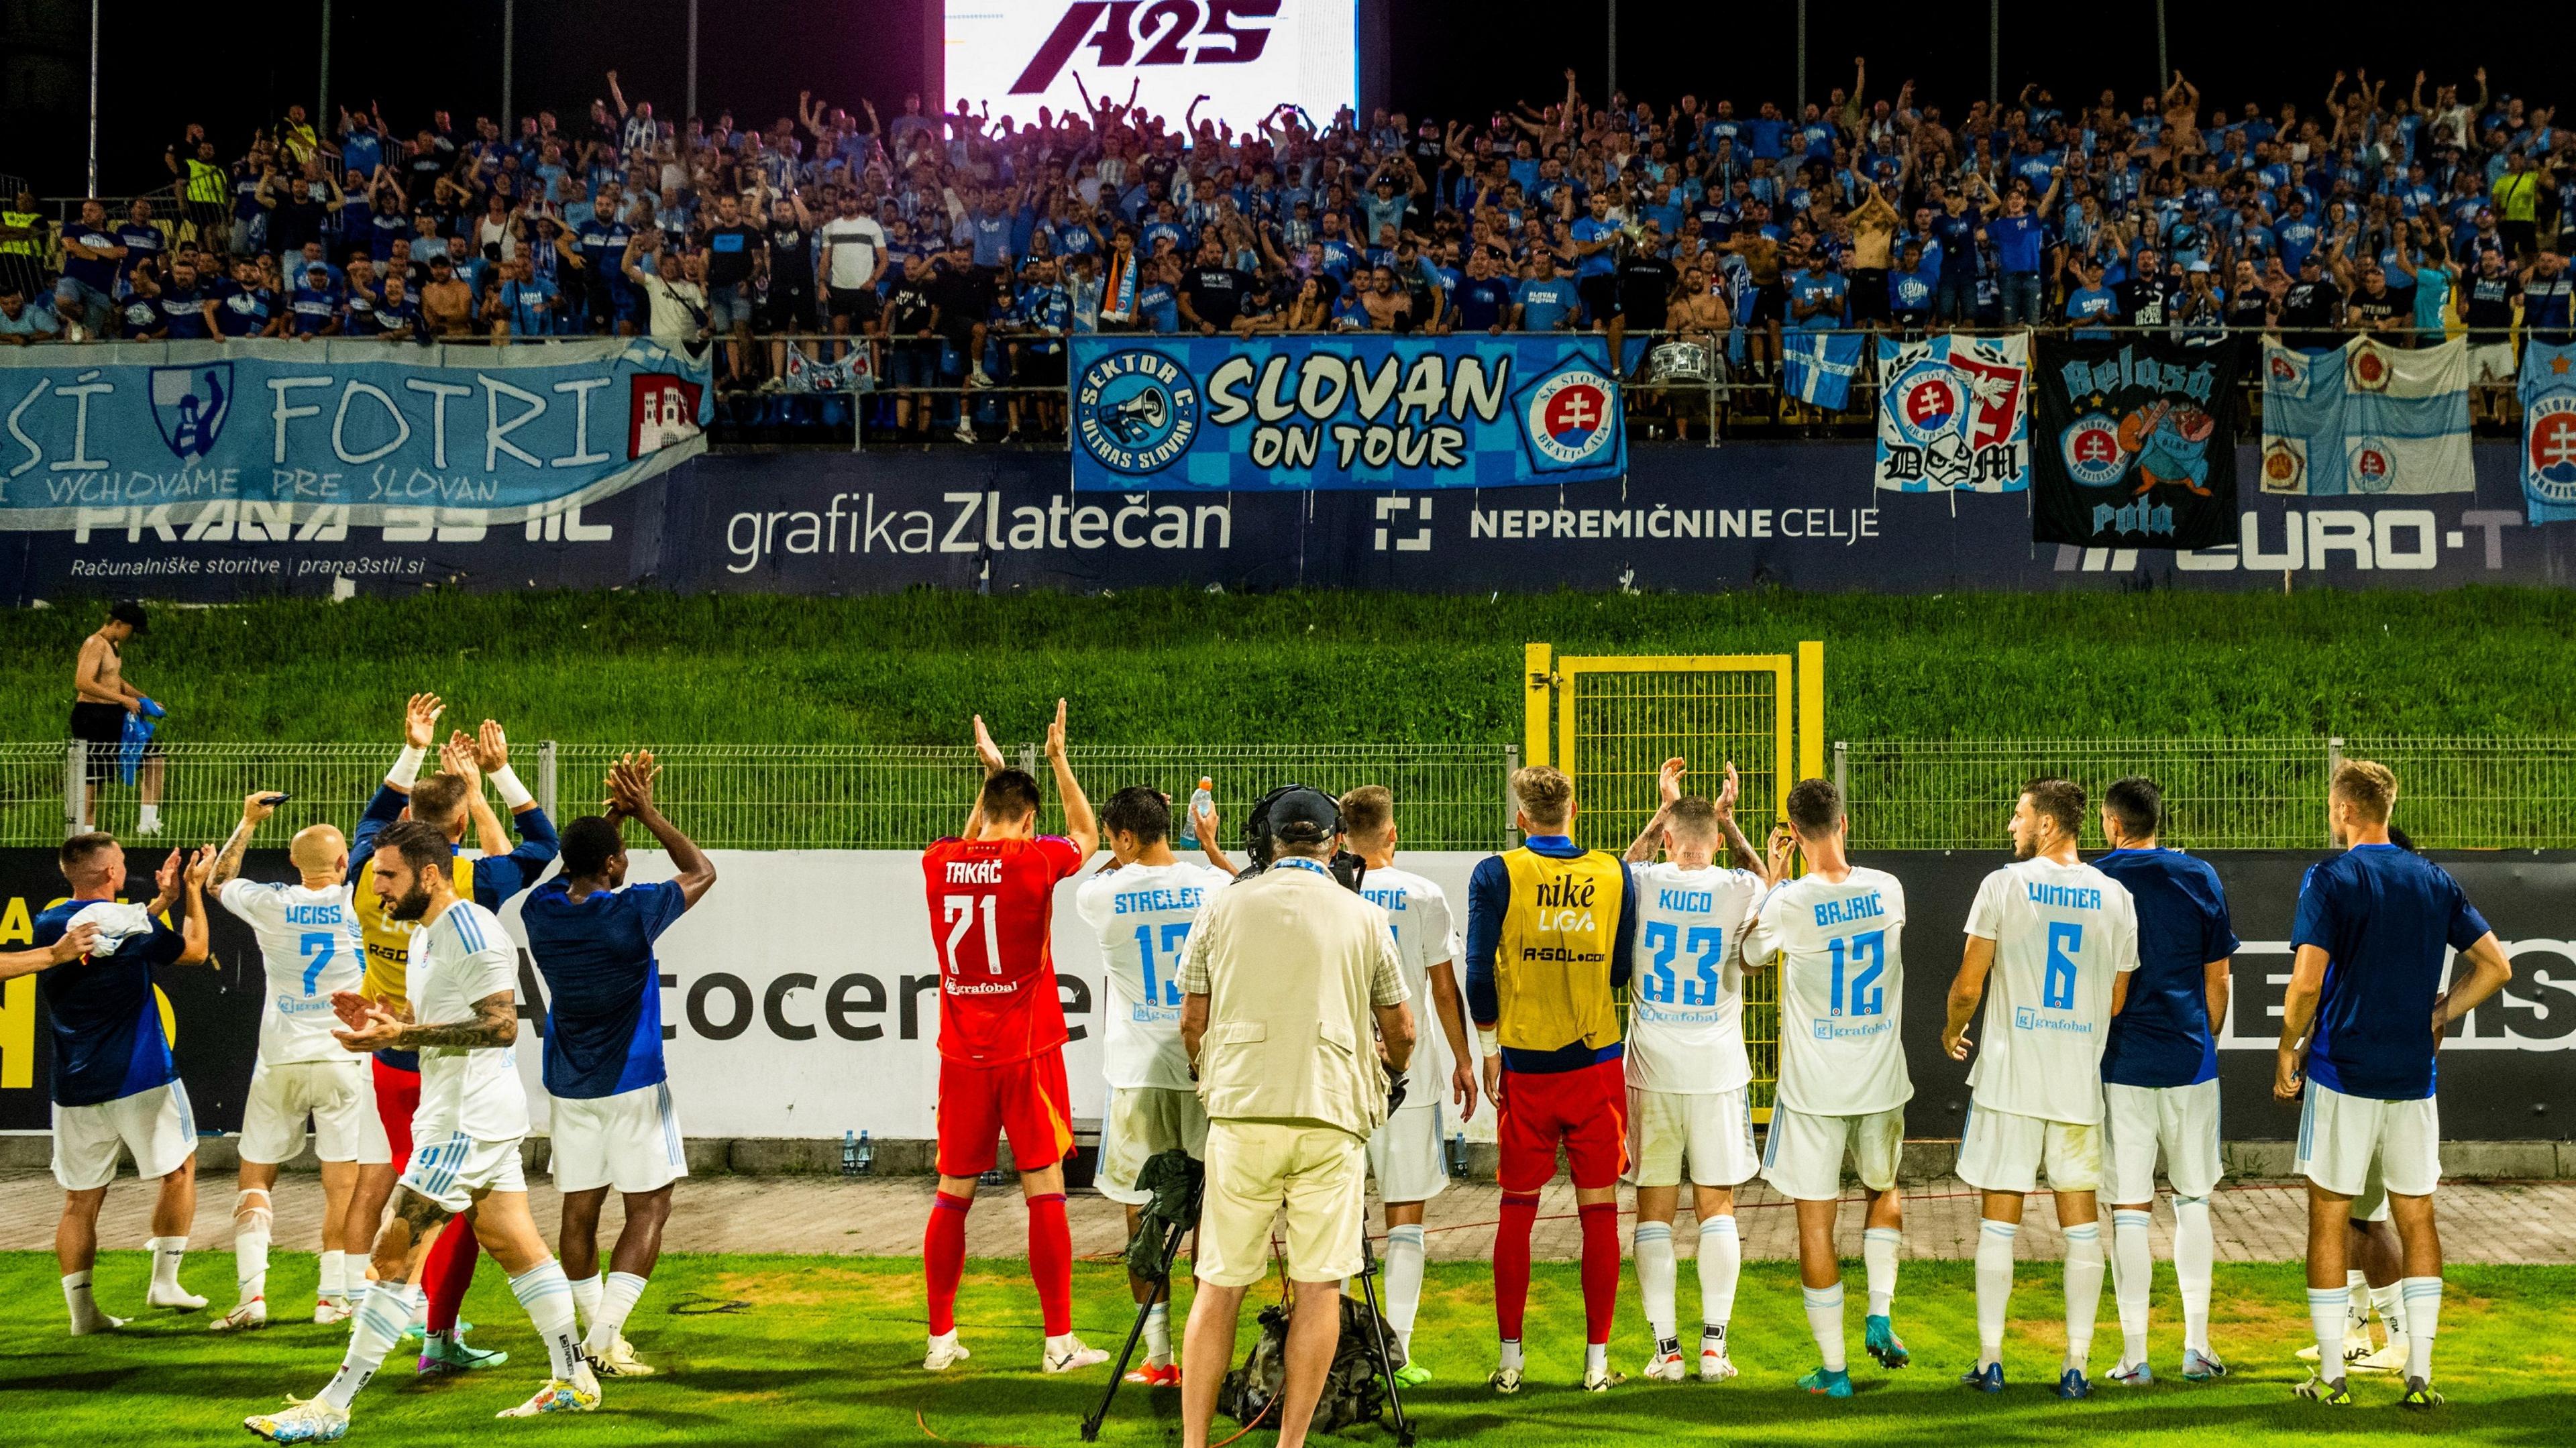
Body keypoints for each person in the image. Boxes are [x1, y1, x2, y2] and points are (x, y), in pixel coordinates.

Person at [244, 821, 604, 1442]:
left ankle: (333, 1406)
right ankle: (573, 1377)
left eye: (387, 874)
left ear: (429, 874)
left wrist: (400, 1037)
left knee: (392, 1255)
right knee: (517, 1248)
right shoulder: (424, 936)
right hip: (476, 1115)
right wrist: (390, 1016)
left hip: (462, 1122)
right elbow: (447, 1015)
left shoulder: (469, 929)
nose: (375, 886)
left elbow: (501, 1027)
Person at [1174, 787, 1417, 1448]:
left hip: (1244, 1112)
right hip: (1330, 1113)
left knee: (1219, 1284)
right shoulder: (1362, 914)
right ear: (1335, 843)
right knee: (1318, 1288)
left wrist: (1210, 1075)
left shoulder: (1222, 905)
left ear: (1265, 843)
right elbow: (1402, 1028)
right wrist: (1386, 1077)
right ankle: (1291, 1442)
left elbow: (1191, 1020)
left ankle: (1194, 1441)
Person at [2276, 761, 2513, 1410]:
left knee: (2329, 1217)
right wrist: (2443, 1012)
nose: (2332, 815)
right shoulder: (2433, 878)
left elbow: (2304, 983)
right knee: (2417, 1217)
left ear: (2347, 809)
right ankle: (2421, 1375)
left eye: (2333, 806)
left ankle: (2333, 1377)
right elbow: (2497, 965)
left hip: (2341, 1071)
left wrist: (2287, 1046)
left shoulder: (2330, 877)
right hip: (2414, 1079)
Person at [345, 695, 561, 1376]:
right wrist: (494, 775)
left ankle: (364, 1314)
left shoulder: (365, 872)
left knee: (406, 1192)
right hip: (441, 1058)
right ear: (460, 825)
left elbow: (374, 821)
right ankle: (437, 1331)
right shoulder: (475, 885)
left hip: (390, 1058)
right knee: (455, 1208)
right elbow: (541, 847)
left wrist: (412, 749)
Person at [918, 700, 1109, 1376]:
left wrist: (992, 776)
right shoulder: (1034, 861)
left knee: (952, 1193)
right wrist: (1057, 760)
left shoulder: (939, 861)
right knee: (1045, 1187)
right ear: (1030, 820)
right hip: (1025, 1052)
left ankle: (941, 1337)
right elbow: (1088, 834)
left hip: (960, 1054)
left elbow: (973, 842)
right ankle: (1058, 1341)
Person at [520, 750, 716, 1380]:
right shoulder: (631, 913)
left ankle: (588, 1339)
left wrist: (610, 819)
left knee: (579, 1209)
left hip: (568, 1084)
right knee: (650, 1207)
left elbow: (574, 862)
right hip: (633, 1081)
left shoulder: (540, 912)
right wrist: (646, 810)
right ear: (614, 864)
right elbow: (701, 869)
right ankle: (605, 1337)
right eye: (619, 853)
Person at [1943, 778, 2139, 1400]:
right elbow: (2116, 998)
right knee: (2081, 1225)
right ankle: (2076, 1366)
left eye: (2020, 815)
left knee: (1999, 1221)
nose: (2011, 826)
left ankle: (1991, 1359)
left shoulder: (2003, 884)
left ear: (2048, 824)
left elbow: (1968, 985)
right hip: (2075, 1080)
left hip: (2009, 1076)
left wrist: (1952, 1030)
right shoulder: (2115, 896)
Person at [1467, 765, 1638, 1393]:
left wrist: (1489, 1047)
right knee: (1600, 1212)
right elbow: (1619, 970)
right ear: (1575, 810)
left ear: (1520, 818)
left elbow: (1479, 974)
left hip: (1527, 1064)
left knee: (1516, 1210)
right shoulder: (1614, 873)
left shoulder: (1496, 872)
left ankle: (1512, 1361)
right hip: (1595, 1064)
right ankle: (1596, 1364)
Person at [206, 791, 388, 1332]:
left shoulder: (271, 901)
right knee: (343, 1184)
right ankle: (331, 1297)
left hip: (280, 1058)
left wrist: (246, 821)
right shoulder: (358, 902)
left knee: (256, 1177)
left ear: (292, 864)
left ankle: (250, 1297)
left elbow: (217, 881)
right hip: (342, 1056)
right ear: (341, 865)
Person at [1072, 785, 1234, 1388]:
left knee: (1141, 1218)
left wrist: (1121, 848)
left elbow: (1103, 865)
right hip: (1203, 1072)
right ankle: (1203, 1355)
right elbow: (1247, 887)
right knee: (1212, 1220)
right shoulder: (1215, 888)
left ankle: (1160, 1356)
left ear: (1123, 839)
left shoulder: (1100, 895)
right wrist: (1211, 846)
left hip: (1137, 1077)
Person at [1617, 760, 1766, 1385]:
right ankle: (1713, 1348)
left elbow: (1615, 873)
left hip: (1650, 1068)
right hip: (1717, 1068)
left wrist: (1658, 812)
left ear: (1673, 838)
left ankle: (1667, 1351)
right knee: (1718, 1207)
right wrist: (1735, 829)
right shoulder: (1737, 886)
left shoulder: (1645, 880)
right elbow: (1771, 886)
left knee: (1654, 1210)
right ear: (1714, 838)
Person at [2087, 777, 2236, 1385]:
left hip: (2121, 1062)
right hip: (2189, 1060)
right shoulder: (2199, 876)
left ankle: (2136, 1355)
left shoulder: (2097, 880)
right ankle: (2197, 1347)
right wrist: (2205, 1038)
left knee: (2128, 1209)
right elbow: (2218, 979)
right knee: (2194, 1200)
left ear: (2112, 824)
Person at [30, 835, 209, 1334]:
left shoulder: (52, 921)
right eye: (122, 863)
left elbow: (117, 926)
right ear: (111, 872)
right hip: (141, 1074)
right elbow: (194, 951)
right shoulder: (136, 924)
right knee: (178, 1170)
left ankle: (82, 1314)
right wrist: (191, 891)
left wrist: (162, 902)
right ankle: (166, 1280)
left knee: (79, 1198)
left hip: (74, 1083)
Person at [1340, 784, 1472, 1384]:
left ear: (1340, 838)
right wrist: (1466, 1060)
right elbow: (1444, 989)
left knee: (1334, 1218)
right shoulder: (1422, 893)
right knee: (1406, 1218)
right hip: (1406, 1073)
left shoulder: (1330, 892)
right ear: (1393, 834)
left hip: (1338, 1073)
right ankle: (1400, 1352)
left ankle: (1338, 1348)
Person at [70, 602, 165, 836]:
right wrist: (123, 700)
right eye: (131, 630)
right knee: (93, 778)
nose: (131, 636)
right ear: (119, 624)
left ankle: (148, 824)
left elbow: (115, 680)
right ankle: (86, 833)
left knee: (155, 758)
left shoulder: (113, 645)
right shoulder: (95, 644)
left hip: (113, 715)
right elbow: (83, 682)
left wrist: (143, 699)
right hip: (91, 716)